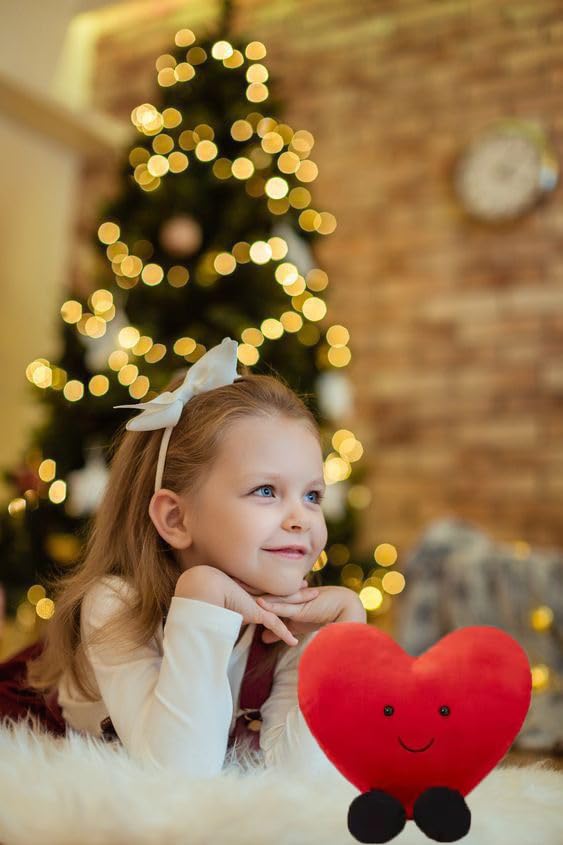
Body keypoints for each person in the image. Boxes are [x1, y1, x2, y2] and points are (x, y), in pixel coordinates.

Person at [22, 337, 366, 777]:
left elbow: (303, 781)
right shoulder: (115, 604)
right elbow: (179, 777)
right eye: (266, 491)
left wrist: (341, 638)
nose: (302, 519)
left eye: (313, 494)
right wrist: (202, 597)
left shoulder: (297, 616)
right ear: (176, 518)